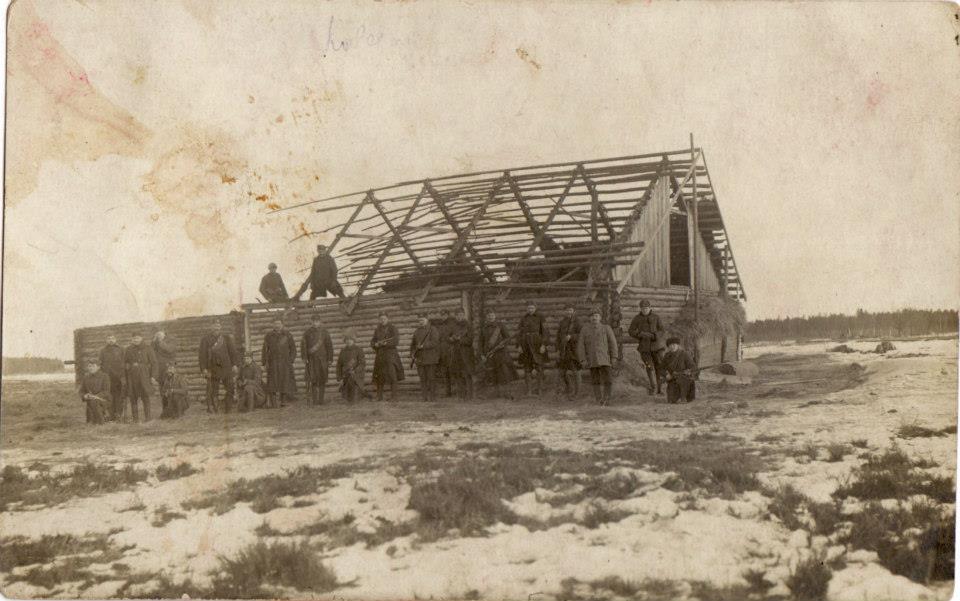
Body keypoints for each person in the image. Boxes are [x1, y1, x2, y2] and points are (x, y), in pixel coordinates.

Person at [576, 309, 619, 406]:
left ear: (600, 317)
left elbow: (613, 343)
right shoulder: (585, 330)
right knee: (595, 380)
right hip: (592, 359)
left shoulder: (606, 328)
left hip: (605, 359)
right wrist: (583, 360)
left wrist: (614, 357)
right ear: (589, 318)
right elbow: (580, 346)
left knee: (608, 379)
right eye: (592, 316)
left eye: (596, 316)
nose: (594, 318)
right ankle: (598, 399)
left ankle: (607, 399)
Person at [198, 321, 239, 413]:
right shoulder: (205, 339)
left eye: (218, 326)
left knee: (230, 388)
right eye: (214, 326)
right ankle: (215, 409)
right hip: (213, 368)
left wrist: (234, 364)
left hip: (226, 367)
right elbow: (202, 355)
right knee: (213, 390)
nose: (216, 328)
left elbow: (232, 352)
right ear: (211, 327)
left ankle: (228, 408)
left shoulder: (226, 338)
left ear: (220, 327)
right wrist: (203, 369)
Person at [628, 299, 666, 395]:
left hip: (657, 347)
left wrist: (654, 335)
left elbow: (662, 330)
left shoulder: (656, 317)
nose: (645, 310)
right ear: (640, 309)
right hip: (644, 348)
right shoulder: (637, 318)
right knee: (649, 367)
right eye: (643, 308)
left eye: (646, 308)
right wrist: (639, 334)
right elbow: (631, 331)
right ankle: (653, 387)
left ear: (650, 308)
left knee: (659, 367)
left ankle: (660, 389)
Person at [481, 308, 516, 399]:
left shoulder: (500, 326)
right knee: (492, 373)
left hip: (501, 353)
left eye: (492, 315)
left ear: (495, 315)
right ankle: (496, 393)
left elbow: (508, 338)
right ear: (486, 317)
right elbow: (481, 342)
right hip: (490, 354)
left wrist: (502, 345)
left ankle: (507, 393)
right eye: (489, 315)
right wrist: (482, 354)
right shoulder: (484, 328)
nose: (490, 317)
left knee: (504, 373)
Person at [262, 319, 297, 407]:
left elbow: (293, 349)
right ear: (273, 325)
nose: (277, 325)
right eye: (275, 323)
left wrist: (291, 360)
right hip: (273, 362)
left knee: (284, 381)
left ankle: (283, 401)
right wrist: (264, 362)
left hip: (285, 362)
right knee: (272, 382)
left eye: (279, 323)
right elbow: (265, 350)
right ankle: (273, 402)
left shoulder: (288, 335)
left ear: (282, 324)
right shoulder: (269, 336)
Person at [517, 302, 549, 397]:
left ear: (535, 308)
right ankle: (529, 391)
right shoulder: (523, 318)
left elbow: (546, 332)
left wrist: (543, 345)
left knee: (539, 368)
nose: (530, 310)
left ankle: (539, 390)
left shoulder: (541, 317)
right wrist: (519, 345)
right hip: (525, 346)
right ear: (526, 309)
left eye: (532, 308)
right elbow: (519, 333)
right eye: (528, 308)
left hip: (537, 345)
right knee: (527, 369)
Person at [124, 334, 158, 422]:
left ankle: (148, 418)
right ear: (132, 339)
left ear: (142, 338)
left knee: (145, 396)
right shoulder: (128, 349)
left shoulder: (148, 348)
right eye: (134, 338)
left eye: (138, 338)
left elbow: (154, 363)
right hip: (132, 376)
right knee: (133, 397)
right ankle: (135, 419)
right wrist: (128, 366)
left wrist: (153, 376)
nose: (136, 340)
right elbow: (125, 362)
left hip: (144, 375)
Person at [371, 312, 404, 401]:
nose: (382, 320)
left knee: (392, 376)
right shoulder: (377, 329)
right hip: (380, 355)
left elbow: (396, 341)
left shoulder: (393, 328)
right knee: (379, 376)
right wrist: (375, 344)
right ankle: (379, 396)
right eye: (381, 319)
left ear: (388, 319)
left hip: (390, 355)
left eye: (384, 319)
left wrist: (386, 343)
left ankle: (394, 397)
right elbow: (373, 341)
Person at [301, 315, 334, 405]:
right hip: (312, 360)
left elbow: (329, 346)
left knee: (322, 379)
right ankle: (315, 400)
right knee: (313, 380)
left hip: (322, 360)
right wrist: (304, 358)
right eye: (313, 321)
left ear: (320, 322)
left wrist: (330, 359)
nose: (315, 323)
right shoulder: (307, 333)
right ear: (311, 322)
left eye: (317, 321)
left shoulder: (325, 332)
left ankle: (321, 400)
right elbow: (303, 346)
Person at [410, 314, 440, 402]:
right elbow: (413, 345)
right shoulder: (416, 331)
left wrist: (423, 346)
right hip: (420, 359)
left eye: (422, 320)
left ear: (427, 320)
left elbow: (435, 342)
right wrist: (412, 354)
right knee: (422, 378)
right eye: (419, 320)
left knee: (431, 378)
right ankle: (424, 397)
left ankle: (432, 397)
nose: (421, 322)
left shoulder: (433, 329)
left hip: (430, 358)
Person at [556, 304, 583, 401]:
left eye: (570, 310)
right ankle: (569, 390)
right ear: (564, 311)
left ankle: (577, 393)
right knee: (562, 372)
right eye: (567, 310)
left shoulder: (577, 322)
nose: (568, 312)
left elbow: (581, 335)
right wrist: (557, 349)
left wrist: (572, 337)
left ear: (574, 311)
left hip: (573, 350)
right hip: (563, 350)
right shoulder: (562, 322)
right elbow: (558, 337)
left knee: (576, 372)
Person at [448, 309, 476, 401]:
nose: (459, 317)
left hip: (466, 354)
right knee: (458, 374)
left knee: (467, 374)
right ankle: (461, 395)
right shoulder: (453, 326)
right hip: (456, 353)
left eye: (461, 315)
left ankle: (469, 395)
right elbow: (448, 337)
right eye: (457, 315)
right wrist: (451, 339)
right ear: (455, 316)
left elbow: (470, 340)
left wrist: (460, 339)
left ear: (464, 315)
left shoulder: (468, 326)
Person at [98, 334, 126, 420]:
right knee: (108, 395)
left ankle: (118, 414)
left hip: (118, 377)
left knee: (118, 395)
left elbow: (124, 362)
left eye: (112, 338)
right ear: (106, 340)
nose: (111, 340)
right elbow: (100, 363)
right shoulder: (103, 350)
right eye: (109, 338)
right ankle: (110, 415)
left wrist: (123, 375)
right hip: (107, 376)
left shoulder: (121, 349)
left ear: (115, 339)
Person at [662, 337, 697, 404]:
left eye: (674, 344)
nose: (672, 347)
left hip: (685, 379)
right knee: (671, 400)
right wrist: (666, 375)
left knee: (684, 379)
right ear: (668, 346)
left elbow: (693, 367)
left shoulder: (684, 354)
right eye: (670, 345)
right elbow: (661, 368)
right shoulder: (667, 356)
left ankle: (684, 397)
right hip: (673, 380)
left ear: (678, 345)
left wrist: (689, 371)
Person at [336, 332, 366, 403]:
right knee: (346, 398)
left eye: (350, 339)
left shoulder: (359, 350)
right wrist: (339, 378)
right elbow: (339, 365)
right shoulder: (343, 351)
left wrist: (355, 370)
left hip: (356, 376)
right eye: (347, 339)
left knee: (354, 398)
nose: (348, 341)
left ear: (353, 340)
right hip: (346, 375)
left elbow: (362, 363)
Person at [79, 361, 111, 425]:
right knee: (92, 402)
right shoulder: (86, 377)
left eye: (93, 366)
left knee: (94, 401)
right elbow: (81, 391)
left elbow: (106, 391)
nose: (91, 368)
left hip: (104, 400)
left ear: (98, 367)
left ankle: (100, 421)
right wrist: (84, 396)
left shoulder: (104, 376)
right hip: (91, 400)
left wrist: (96, 396)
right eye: (89, 366)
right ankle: (95, 421)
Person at [434, 309, 458, 397]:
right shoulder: (439, 325)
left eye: (444, 315)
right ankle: (447, 392)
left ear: (448, 315)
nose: (443, 317)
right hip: (441, 351)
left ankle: (457, 391)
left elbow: (456, 335)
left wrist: (451, 339)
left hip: (450, 351)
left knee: (453, 371)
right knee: (444, 372)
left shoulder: (453, 324)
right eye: (442, 315)